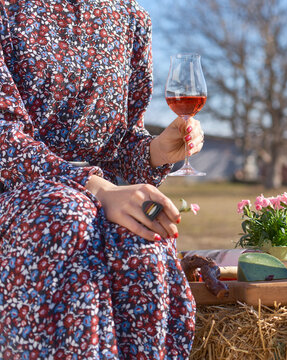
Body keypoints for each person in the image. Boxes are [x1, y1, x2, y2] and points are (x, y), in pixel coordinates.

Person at [0, 1, 204, 358]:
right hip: (22, 191)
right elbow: (4, 136)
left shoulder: (129, 16)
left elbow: (123, 142)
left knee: (144, 238)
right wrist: (92, 187)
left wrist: (157, 152)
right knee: (66, 215)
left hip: (102, 197)